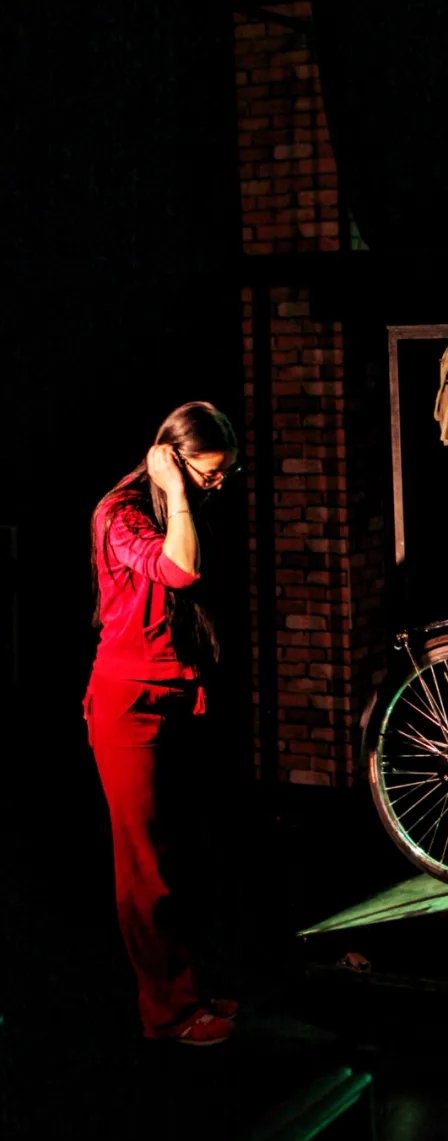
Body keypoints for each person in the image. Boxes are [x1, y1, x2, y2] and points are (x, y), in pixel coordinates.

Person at [86, 400, 240, 1048]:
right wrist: (177, 490)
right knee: (143, 869)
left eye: (227, 472)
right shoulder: (120, 513)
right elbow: (179, 569)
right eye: (209, 472)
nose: (219, 484)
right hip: (129, 706)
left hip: (177, 695)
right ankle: (167, 1013)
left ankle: (192, 988)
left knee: (183, 855)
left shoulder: (183, 507)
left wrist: (184, 494)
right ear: (171, 460)